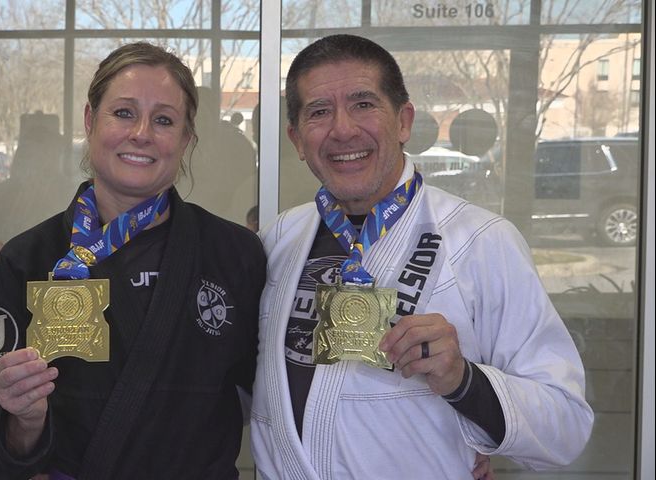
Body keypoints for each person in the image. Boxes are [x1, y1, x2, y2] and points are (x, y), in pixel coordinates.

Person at [249, 34, 593, 479]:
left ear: (403, 121)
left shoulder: (480, 242)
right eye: (318, 112)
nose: (343, 129)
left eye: (363, 104)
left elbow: (566, 426)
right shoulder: (278, 239)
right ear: (297, 139)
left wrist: (465, 382)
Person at [0, 42, 266, 480]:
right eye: (124, 113)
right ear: (91, 121)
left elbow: (271, 397)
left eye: (164, 120)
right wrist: (25, 420)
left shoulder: (234, 253)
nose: (141, 133)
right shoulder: (28, 258)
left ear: (185, 138)